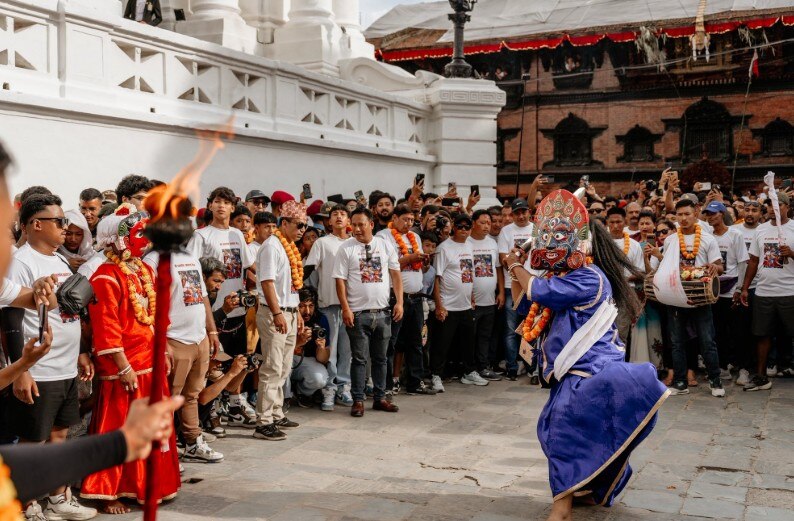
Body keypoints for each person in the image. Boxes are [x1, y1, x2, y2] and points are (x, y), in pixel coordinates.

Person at [503, 189, 669, 521]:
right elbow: (526, 305)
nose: (548, 244)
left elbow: (538, 290)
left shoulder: (589, 278)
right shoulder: (564, 276)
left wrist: (517, 265)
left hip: (590, 373)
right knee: (558, 429)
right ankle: (590, 489)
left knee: (561, 434)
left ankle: (561, 508)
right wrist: (514, 272)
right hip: (577, 374)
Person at [81, 204, 180, 514]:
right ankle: (108, 492)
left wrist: (163, 349)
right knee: (119, 427)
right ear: (117, 239)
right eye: (139, 233)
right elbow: (105, 328)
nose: (146, 239)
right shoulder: (104, 277)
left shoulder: (143, 269)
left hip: (150, 362)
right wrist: (123, 366)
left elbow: (155, 315)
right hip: (124, 368)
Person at [5, 194, 97, 521]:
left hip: (66, 364)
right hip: (40, 369)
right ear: (36, 224)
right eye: (58, 221)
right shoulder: (21, 261)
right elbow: (11, 319)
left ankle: (58, 497)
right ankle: (26, 503)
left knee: (60, 433)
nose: (65, 227)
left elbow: (70, 311)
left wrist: (83, 353)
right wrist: (21, 372)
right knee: (34, 439)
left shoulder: (58, 260)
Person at [143, 247, 223, 464]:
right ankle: (163, 455)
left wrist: (212, 331)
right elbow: (150, 305)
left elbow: (203, 297)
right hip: (174, 340)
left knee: (191, 395)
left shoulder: (190, 258)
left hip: (199, 338)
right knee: (167, 398)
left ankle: (192, 442)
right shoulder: (153, 260)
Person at [188, 187, 256, 427]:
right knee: (213, 366)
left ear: (232, 207)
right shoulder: (201, 235)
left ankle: (231, 404)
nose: (221, 206)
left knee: (237, 362)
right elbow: (192, 273)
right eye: (217, 201)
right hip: (215, 311)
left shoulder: (238, 235)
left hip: (239, 310)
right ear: (210, 205)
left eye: (226, 202)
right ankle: (209, 412)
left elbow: (248, 267)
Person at [333, 208, 402, 417]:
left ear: (371, 224)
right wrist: (346, 307)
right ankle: (358, 400)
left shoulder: (385, 245)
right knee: (360, 359)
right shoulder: (346, 248)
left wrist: (400, 303)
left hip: (383, 312)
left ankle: (380, 398)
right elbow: (340, 281)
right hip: (358, 313)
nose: (356, 229)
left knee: (381, 358)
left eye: (361, 224)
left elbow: (396, 275)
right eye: (353, 224)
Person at [254, 200, 307, 441]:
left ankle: (275, 412)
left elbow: (291, 285)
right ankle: (263, 420)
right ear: (283, 223)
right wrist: (277, 313)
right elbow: (267, 282)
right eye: (298, 225)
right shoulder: (272, 246)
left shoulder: (289, 247)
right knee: (272, 366)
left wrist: (295, 313)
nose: (302, 230)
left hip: (290, 311)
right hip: (274, 312)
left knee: (284, 366)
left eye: (305, 226)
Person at [662, 199, 725, 397]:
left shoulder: (707, 239)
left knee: (707, 340)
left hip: (700, 296)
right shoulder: (670, 240)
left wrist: (715, 268)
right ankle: (680, 381)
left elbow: (720, 267)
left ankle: (715, 380)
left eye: (687, 214)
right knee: (677, 341)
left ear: (695, 213)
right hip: (677, 296)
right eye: (679, 215)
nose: (683, 218)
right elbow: (666, 268)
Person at [376, 204, 435, 396]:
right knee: (391, 342)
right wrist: (409, 258)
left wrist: (423, 263)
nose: (409, 224)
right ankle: (386, 384)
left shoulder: (415, 237)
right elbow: (385, 266)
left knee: (416, 341)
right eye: (405, 219)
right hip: (395, 296)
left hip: (416, 296)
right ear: (395, 217)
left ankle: (415, 382)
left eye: (412, 220)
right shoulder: (384, 237)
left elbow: (418, 268)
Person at [740, 192, 794, 392]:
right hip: (764, 291)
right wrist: (745, 288)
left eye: (778, 204)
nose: (773, 208)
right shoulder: (761, 230)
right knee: (762, 335)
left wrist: (792, 254)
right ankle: (761, 377)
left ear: (788, 207)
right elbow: (754, 261)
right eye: (770, 205)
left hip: (790, 291)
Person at [303, 204, 354, 409]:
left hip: (351, 306)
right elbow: (308, 269)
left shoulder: (355, 243)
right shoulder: (322, 243)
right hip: (328, 304)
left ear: (349, 220)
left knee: (347, 350)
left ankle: (345, 387)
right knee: (330, 351)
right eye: (335, 215)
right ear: (328, 221)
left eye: (343, 214)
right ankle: (329, 389)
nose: (339, 217)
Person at [433, 214, 488, 389]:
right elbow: (436, 278)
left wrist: (471, 296)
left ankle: (468, 372)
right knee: (442, 344)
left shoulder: (470, 246)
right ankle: (436, 375)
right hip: (448, 305)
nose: (464, 230)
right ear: (454, 227)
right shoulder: (444, 248)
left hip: (465, 305)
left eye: (467, 227)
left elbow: (468, 272)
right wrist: (439, 305)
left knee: (467, 343)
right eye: (460, 226)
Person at [703, 201, 748, 379]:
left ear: (722, 214)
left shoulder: (735, 234)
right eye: (708, 214)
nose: (711, 217)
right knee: (718, 331)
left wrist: (740, 287)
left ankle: (743, 368)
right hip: (714, 290)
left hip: (732, 289)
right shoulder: (706, 236)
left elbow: (742, 262)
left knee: (738, 331)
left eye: (714, 213)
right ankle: (722, 367)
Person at [497, 198, 534, 380]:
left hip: (533, 286)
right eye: (517, 213)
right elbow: (504, 260)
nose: (521, 215)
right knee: (511, 331)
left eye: (524, 212)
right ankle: (511, 367)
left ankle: (531, 367)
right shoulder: (506, 231)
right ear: (512, 215)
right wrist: (516, 262)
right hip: (511, 287)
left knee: (531, 329)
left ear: (529, 212)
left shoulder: (536, 230)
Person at [468, 210, 504, 381]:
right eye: (482, 222)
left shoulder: (492, 243)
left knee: (485, 335)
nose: (486, 226)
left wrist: (502, 292)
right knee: (470, 337)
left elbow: (497, 268)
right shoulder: (466, 242)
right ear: (473, 223)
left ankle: (483, 367)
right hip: (471, 301)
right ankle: (469, 368)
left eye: (488, 223)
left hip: (490, 299)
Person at [731, 200, 762, 386]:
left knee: (757, 330)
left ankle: (759, 367)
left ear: (761, 213)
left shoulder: (764, 230)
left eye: (755, 210)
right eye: (747, 209)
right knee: (739, 329)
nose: (750, 213)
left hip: (760, 286)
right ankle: (741, 367)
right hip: (738, 287)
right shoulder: (735, 231)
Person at [605, 207, 645, 346]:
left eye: (619, 222)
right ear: (607, 223)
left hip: (626, 292)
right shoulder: (600, 243)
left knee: (621, 332)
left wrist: (622, 279)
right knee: (603, 331)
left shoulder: (634, 245)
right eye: (612, 222)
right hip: (604, 294)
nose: (615, 226)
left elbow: (640, 272)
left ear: (625, 222)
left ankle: (620, 366)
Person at [291, 288, 332, 406]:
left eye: (311, 306)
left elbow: (323, 359)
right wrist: (299, 342)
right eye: (302, 306)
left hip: (307, 361)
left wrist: (321, 348)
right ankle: (284, 398)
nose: (307, 311)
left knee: (320, 379)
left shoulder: (320, 319)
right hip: (287, 358)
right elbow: (279, 351)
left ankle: (301, 392)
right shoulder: (288, 317)